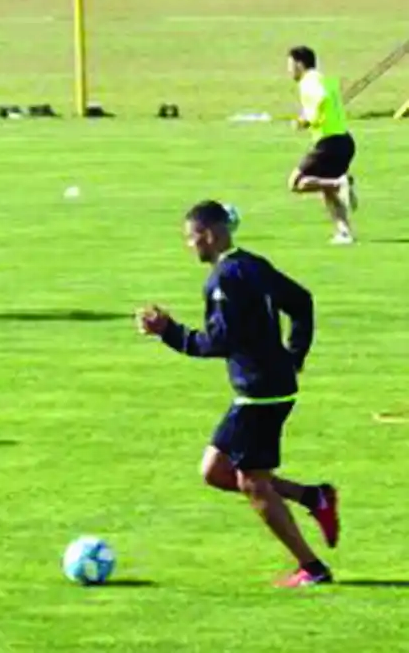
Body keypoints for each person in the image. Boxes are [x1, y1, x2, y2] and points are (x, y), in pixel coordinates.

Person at [137, 200, 340, 587]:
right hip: (268, 387)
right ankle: (314, 497)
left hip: (258, 394)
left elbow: (217, 342)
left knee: (252, 483)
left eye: (191, 238)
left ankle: (313, 568)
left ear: (209, 234)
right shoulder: (253, 264)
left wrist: (169, 332)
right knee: (215, 471)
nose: (190, 246)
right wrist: (293, 355)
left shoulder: (222, 280)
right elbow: (301, 301)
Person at [287, 46, 359, 245]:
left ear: (299, 64)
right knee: (325, 187)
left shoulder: (309, 81)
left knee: (296, 183)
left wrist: (308, 120)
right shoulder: (325, 79)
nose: (289, 70)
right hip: (344, 140)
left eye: (290, 65)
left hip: (329, 142)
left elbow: (320, 99)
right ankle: (344, 232)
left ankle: (340, 183)